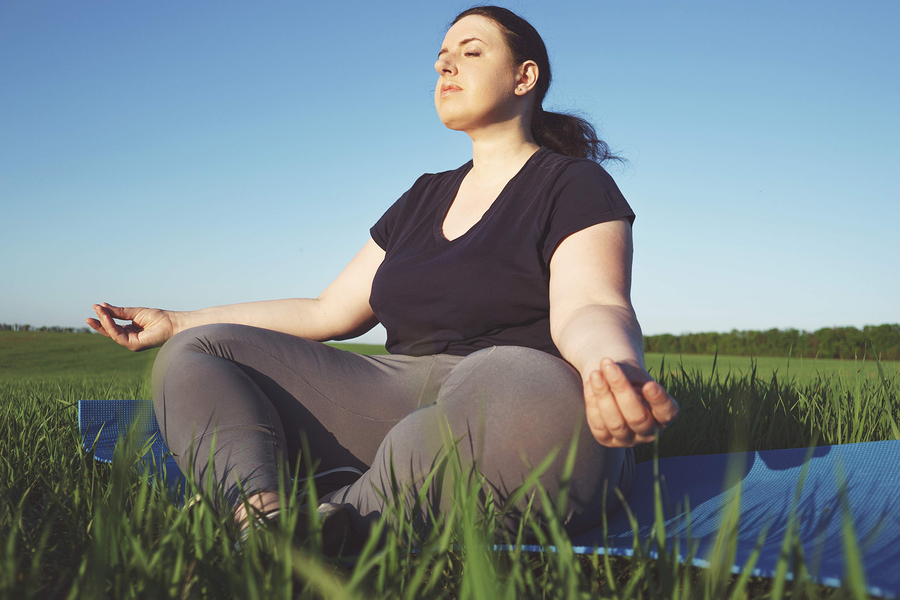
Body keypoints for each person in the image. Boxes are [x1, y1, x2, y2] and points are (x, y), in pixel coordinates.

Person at [86, 5, 679, 543]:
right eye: (441, 60)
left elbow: (591, 305)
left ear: (524, 78)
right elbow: (326, 313)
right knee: (198, 352)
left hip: (511, 402)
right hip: (394, 396)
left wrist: (610, 366)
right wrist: (176, 322)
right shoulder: (422, 196)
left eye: (471, 53)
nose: (447, 68)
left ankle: (340, 516)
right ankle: (261, 521)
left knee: (533, 394)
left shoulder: (571, 183)